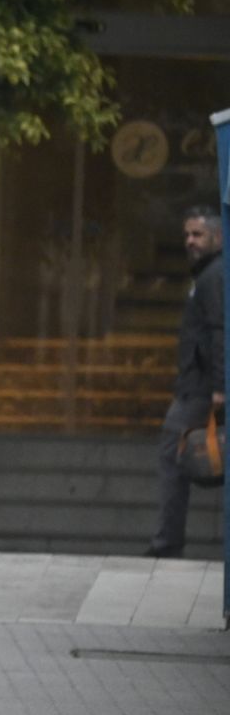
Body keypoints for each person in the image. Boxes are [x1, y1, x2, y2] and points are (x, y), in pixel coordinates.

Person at [146, 205, 224, 558]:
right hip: (200, 386)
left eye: (198, 234)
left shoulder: (214, 277)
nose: (190, 241)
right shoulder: (209, 275)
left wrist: (221, 388)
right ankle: (167, 542)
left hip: (201, 390)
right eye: (187, 234)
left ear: (218, 237)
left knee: (172, 457)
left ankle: (166, 544)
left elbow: (220, 334)